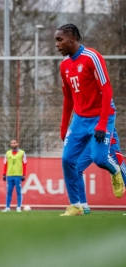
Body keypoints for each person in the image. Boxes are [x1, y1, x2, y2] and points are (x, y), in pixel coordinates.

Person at [54, 23, 124, 216]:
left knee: (99, 158)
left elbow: (107, 89)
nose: (57, 44)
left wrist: (102, 123)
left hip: (102, 115)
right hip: (79, 119)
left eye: (60, 40)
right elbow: (68, 99)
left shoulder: (92, 57)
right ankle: (76, 205)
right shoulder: (64, 66)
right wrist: (63, 127)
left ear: (73, 39)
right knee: (68, 160)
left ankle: (115, 170)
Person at [76, 128, 126, 214]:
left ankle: (115, 170)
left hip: (105, 134)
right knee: (76, 169)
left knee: (122, 168)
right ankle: (83, 206)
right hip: (91, 138)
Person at [2, 139, 27, 213]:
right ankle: (7, 207)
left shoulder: (22, 153)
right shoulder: (7, 153)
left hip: (18, 175)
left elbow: (24, 164)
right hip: (9, 175)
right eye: (12, 143)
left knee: (18, 192)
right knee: (9, 192)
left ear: (17, 144)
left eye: (14, 143)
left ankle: (18, 207)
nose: (13, 144)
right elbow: (5, 164)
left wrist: (24, 174)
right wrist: (4, 174)